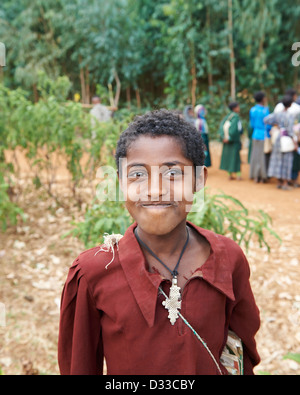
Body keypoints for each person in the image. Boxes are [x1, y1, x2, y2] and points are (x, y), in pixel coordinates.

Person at [58, 109, 260, 375]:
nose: (155, 189)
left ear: (199, 180)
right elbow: (79, 367)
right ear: (120, 182)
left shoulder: (227, 259)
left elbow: (239, 356)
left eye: (173, 173)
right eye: (137, 175)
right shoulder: (93, 273)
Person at [264, 95, 297, 190]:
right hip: (286, 139)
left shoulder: (278, 114)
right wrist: (295, 143)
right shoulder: (290, 116)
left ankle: (279, 182)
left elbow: (266, 119)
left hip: (278, 139)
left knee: (278, 161)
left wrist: (277, 125)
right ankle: (285, 183)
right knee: (287, 161)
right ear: (290, 104)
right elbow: (290, 131)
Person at [249, 92, 271, 183]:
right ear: (262, 99)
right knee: (262, 156)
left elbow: (252, 124)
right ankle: (262, 177)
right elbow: (268, 125)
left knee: (255, 155)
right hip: (263, 135)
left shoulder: (252, 109)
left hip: (255, 134)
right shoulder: (265, 110)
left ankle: (255, 176)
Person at [219, 102, 243, 180]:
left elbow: (221, 126)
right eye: (238, 107)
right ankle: (238, 176)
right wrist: (231, 138)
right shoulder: (236, 117)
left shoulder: (227, 116)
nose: (239, 108)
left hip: (226, 140)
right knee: (236, 157)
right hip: (234, 141)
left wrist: (223, 137)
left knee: (228, 157)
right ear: (234, 108)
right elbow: (235, 129)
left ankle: (230, 175)